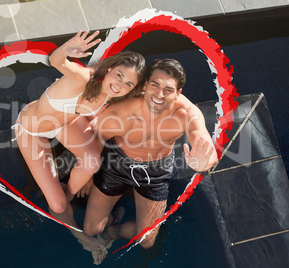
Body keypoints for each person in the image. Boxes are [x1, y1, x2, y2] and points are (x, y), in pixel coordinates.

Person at [11, 31, 146, 261]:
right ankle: (78, 233)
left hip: (67, 123)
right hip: (33, 130)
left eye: (128, 84)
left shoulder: (113, 95)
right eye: (119, 75)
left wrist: (89, 176)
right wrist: (66, 50)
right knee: (56, 204)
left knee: (92, 162)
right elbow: (56, 61)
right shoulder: (85, 77)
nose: (119, 84)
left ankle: (70, 193)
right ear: (111, 68)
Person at [83, 58, 218, 253]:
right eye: (155, 85)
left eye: (169, 90)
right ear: (145, 85)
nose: (160, 94)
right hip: (117, 163)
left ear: (178, 93)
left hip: (156, 171)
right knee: (91, 229)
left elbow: (203, 141)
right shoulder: (123, 111)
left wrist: (204, 162)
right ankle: (114, 215)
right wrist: (89, 174)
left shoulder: (187, 114)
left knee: (146, 241)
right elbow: (97, 139)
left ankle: (115, 231)